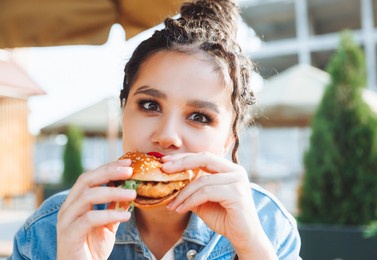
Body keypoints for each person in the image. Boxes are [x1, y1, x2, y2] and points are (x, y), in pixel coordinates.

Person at [9, 0, 301, 259]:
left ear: (229, 138)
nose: (167, 135)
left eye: (199, 116)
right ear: (123, 113)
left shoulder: (267, 224)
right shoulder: (50, 229)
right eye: (150, 105)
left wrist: (252, 249)